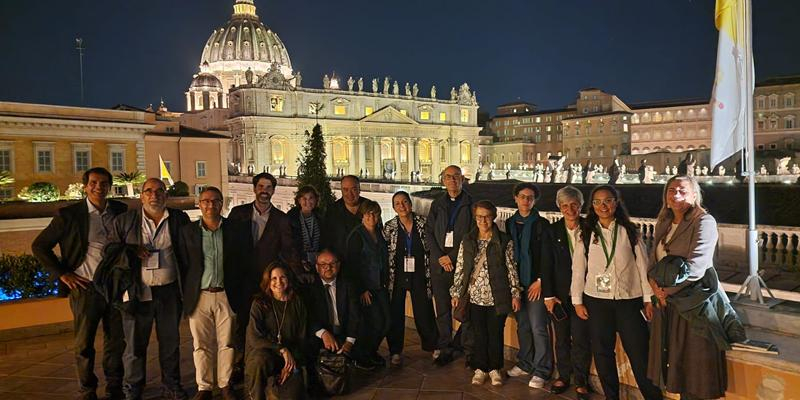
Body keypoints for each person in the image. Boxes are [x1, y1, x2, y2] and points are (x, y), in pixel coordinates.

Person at [32, 167, 127, 400]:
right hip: (85, 289)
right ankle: (88, 390)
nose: (99, 187)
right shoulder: (69, 215)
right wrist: (63, 274)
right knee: (84, 344)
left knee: (116, 343)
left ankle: (115, 389)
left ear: (109, 186)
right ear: (85, 186)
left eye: (104, 183)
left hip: (114, 288)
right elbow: (39, 246)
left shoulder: (120, 211)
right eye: (94, 182)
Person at [646, 175, 745, 399]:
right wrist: (654, 288)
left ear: (694, 195)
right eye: (671, 190)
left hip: (693, 304)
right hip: (667, 304)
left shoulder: (704, 221)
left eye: (682, 190)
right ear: (665, 195)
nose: (676, 195)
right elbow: (652, 260)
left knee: (697, 371)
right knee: (677, 366)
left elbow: (697, 266)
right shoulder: (663, 221)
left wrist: (666, 293)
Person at [571, 185, 662, 400]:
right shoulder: (585, 232)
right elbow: (578, 269)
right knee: (602, 353)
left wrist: (648, 299)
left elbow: (643, 267)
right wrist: (577, 300)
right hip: (596, 300)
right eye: (598, 202)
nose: (603, 206)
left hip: (629, 301)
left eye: (608, 200)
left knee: (639, 354)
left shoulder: (629, 231)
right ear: (592, 206)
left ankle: (652, 396)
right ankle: (612, 396)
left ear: (616, 203)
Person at [104, 178, 191, 400]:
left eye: (160, 191)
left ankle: (171, 384)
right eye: (149, 191)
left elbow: (189, 251)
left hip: (169, 291)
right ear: (141, 196)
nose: (155, 195)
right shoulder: (125, 221)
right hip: (137, 290)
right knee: (134, 345)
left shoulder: (179, 219)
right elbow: (110, 250)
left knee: (170, 344)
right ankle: (132, 388)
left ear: (166, 195)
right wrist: (131, 250)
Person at [227, 172, 302, 381]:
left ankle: (263, 361)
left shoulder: (281, 219)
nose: (264, 191)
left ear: (273, 191)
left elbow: (288, 250)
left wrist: (299, 272)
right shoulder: (238, 213)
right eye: (261, 187)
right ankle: (239, 364)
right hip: (241, 280)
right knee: (241, 323)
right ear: (254, 189)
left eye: (269, 188)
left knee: (263, 322)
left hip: (266, 281)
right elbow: (229, 247)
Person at [177, 187, 248, 400]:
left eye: (215, 201)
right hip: (199, 296)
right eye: (206, 201)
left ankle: (226, 385)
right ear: (199, 204)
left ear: (221, 204)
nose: (210, 205)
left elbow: (243, 263)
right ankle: (204, 387)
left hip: (227, 294)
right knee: (201, 345)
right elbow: (182, 265)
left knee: (227, 343)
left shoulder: (236, 229)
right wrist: (185, 295)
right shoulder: (188, 231)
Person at [450, 200, 522, 387]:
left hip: (497, 297)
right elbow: (460, 267)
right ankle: (480, 368)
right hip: (474, 297)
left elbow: (511, 268)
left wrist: (515, 293)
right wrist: (456, 292)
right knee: (478, 334)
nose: (483, 220)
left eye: (487, 216)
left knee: (495, 333)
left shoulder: (504, 240)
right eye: (479, 216)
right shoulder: (467, 240)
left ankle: (494, 368)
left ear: (494, 217)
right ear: (475, 218)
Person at [541, 185, 592, 399]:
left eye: (574, 205)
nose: (569, 209)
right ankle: (563, 375)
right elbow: (546, 265)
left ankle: (581, 380)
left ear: (580, 206)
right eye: (565, 205)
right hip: (560, 296)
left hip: (585, 295)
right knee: (561, 338)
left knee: (581, 338)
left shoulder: (591, 229)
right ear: (559, 207)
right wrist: (549, 296)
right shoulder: (551, 231)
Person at [503, 183, 552, 388]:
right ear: (515, 198)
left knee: (538, 327)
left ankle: (542, 369)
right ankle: (525, 363)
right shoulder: (509, 223)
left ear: (534, 201)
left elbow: (547, 256)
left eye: (530, 197)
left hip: (535, 284)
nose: (526, 201)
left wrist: (540, 280)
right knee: (523, 326)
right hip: (517, 284)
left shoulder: (542, 224)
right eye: (522, 196)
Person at [424, 165, 474, 366]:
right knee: (443, 309)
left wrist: (452, 257)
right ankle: (445, 346)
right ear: (443, 180)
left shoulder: (471, 204)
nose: (452, 180)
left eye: (456, 177)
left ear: (462, 179)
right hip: (439, 265)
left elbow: (472, 236)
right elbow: (428, 232)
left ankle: (462, 345)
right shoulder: (437, 203)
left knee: (466, 308)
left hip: (461, 264)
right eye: (448, 177)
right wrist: (439, 257)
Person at [383, 191, 438, 365]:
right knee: (396, 313)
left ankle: (432, 345)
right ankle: (395, 351)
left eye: (405, 202)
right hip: (397, 275)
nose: (402, 206)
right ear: (393, 207)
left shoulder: (423, 223)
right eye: (397, 203)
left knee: (424, 310)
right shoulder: (389, 227)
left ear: (410, 204)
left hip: (420, 273)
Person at [245, 264, 308, 400]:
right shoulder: (259, 303)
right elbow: (255, 339)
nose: (278, 282)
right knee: (259, 360)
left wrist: (290, 364)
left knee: (293, 396)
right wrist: (281, 349)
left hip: (289, 358)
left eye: (282, 277)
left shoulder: (297, 302)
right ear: (268, 281)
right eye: (273, 278)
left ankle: (274, 386)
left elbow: (301, 339)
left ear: (288, 279)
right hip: (264, 356)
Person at [345, 199, 391, 369]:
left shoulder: (379, 233)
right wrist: (361, 289)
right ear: (362, 216)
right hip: (366, 288)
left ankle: (370, 351)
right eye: (368, 213)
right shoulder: (356, 236)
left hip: (380, 286)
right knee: (374, 322)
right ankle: (362, 355)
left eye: (375, 213)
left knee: (386, 322)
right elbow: (351, 266)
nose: (371, 217)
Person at [307, 249, 361, 389]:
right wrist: (323, 333)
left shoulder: (348, 284)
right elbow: (308, 316)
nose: (328, 267)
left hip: (343, 332)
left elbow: (355, 315)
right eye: (323, 264)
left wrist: (349, 341)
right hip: (320, 335)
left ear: (339, 265)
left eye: (332, 263)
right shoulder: (309, 287)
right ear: (317, 267)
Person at [322, 175, 366, 267]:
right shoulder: (332, 211)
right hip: (341, 265)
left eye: (353, 189)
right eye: (345, 190)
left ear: (359, 189)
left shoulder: (369, 207)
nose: (350, 194)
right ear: (341, 190)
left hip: (367, 266)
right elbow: (326, 240)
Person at [287, 185, 323, 270]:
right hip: (298, 263)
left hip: (318, 263)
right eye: (304, 198)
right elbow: (289, 243)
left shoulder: (320, 217)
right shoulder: (291, 218)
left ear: (316, 199)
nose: (308, 201)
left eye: (311, 198)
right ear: (299, 200)